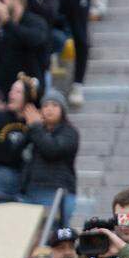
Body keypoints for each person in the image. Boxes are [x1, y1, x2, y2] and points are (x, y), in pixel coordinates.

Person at [20, 93, 79, 224]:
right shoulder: (36, 130)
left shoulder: (70, 132)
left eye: (54, 105)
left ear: (63, 110)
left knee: (51, 233)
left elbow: (52, 150)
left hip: (56, 191)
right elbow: (16, 152)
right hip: (31, 190)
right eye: (45, 105)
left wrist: (36, 127)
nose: (49, 109)